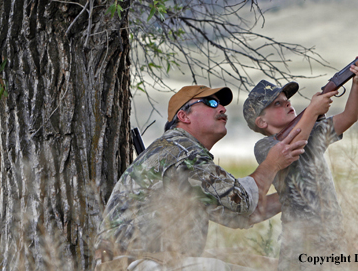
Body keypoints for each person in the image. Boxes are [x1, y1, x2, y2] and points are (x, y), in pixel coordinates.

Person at [95, 85, 305, 271]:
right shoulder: (182, 150)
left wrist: (292, 195)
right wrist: (272, 163)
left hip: (142, 262)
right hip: (140, 264)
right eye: (211, 102)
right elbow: (243, 201)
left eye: (221, 104)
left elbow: (238, 216)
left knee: (256, 263)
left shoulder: (179, 154)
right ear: (184, 116)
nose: (222, 108)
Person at [243, 61, 358, 270]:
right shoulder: (265, 146)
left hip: (332, 238)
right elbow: (294, 146)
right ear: (261, 122)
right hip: (301, 245)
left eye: (286, 100)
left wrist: (357, 83)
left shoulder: (312, 131)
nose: (287, 104)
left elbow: (349, 117)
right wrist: (312, 111)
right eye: (277, 104)